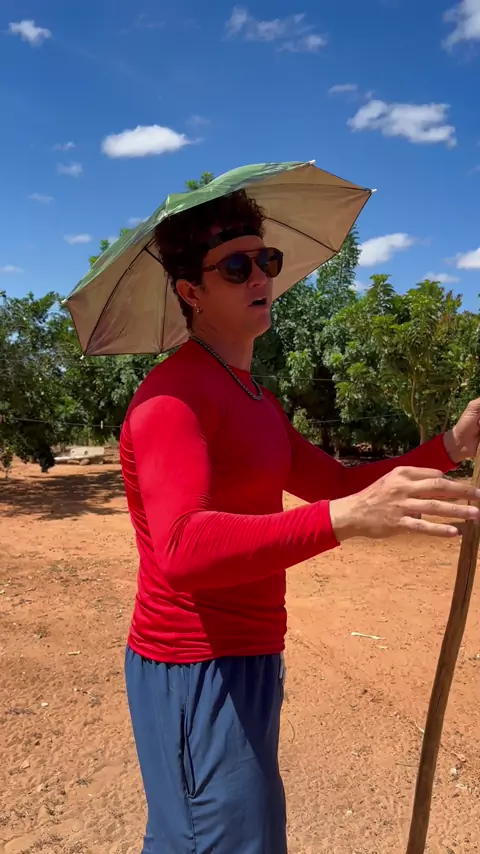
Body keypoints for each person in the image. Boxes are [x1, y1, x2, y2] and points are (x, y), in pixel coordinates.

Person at [120, 189, 480, 854]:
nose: (260, 276)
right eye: (236, 267)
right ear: (191, 292)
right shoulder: (172, 397)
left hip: (252, 652)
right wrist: (345, 520)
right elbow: (181, 547)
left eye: (267, 260)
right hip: (196, 664)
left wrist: (451, 447)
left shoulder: (254, 397)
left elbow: (336, 483)